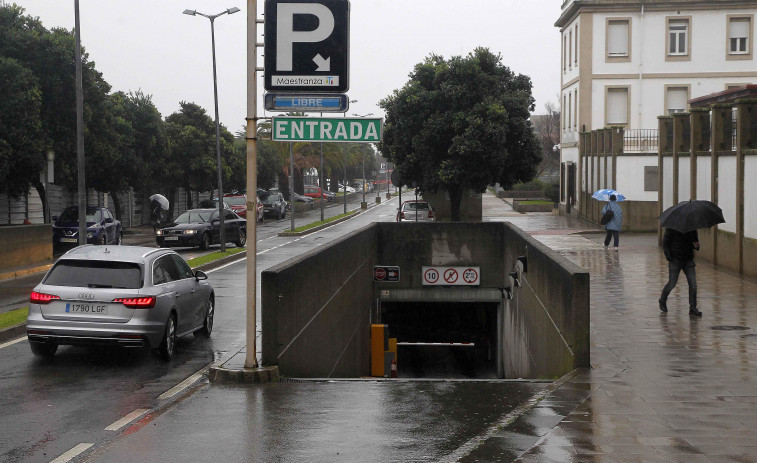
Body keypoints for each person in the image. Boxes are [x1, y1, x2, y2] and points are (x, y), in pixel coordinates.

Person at [659, 228, 702, 317]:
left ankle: (693, 308)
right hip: (675, 260)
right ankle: (662, 300)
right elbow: (665, 243)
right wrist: (669, 257)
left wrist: (697, 246)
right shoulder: (671, 227)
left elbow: (695, 243)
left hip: (688, 260)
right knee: (672, 283)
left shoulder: (692, 228)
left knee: (693, 284)